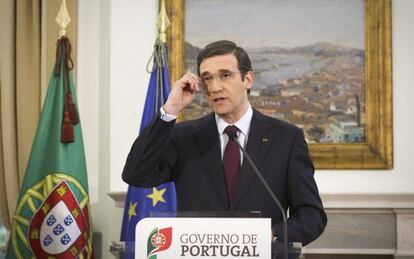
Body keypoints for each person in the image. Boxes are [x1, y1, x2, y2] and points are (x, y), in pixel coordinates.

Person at [122, 40, 327, 245]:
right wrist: (170, 109)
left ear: (248, 79)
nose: (215, 87)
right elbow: (136, 174)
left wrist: (271, 237)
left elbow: (311, 215)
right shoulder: (183, 137)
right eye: (207, 79)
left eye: (225, 76)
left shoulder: (286, 138)